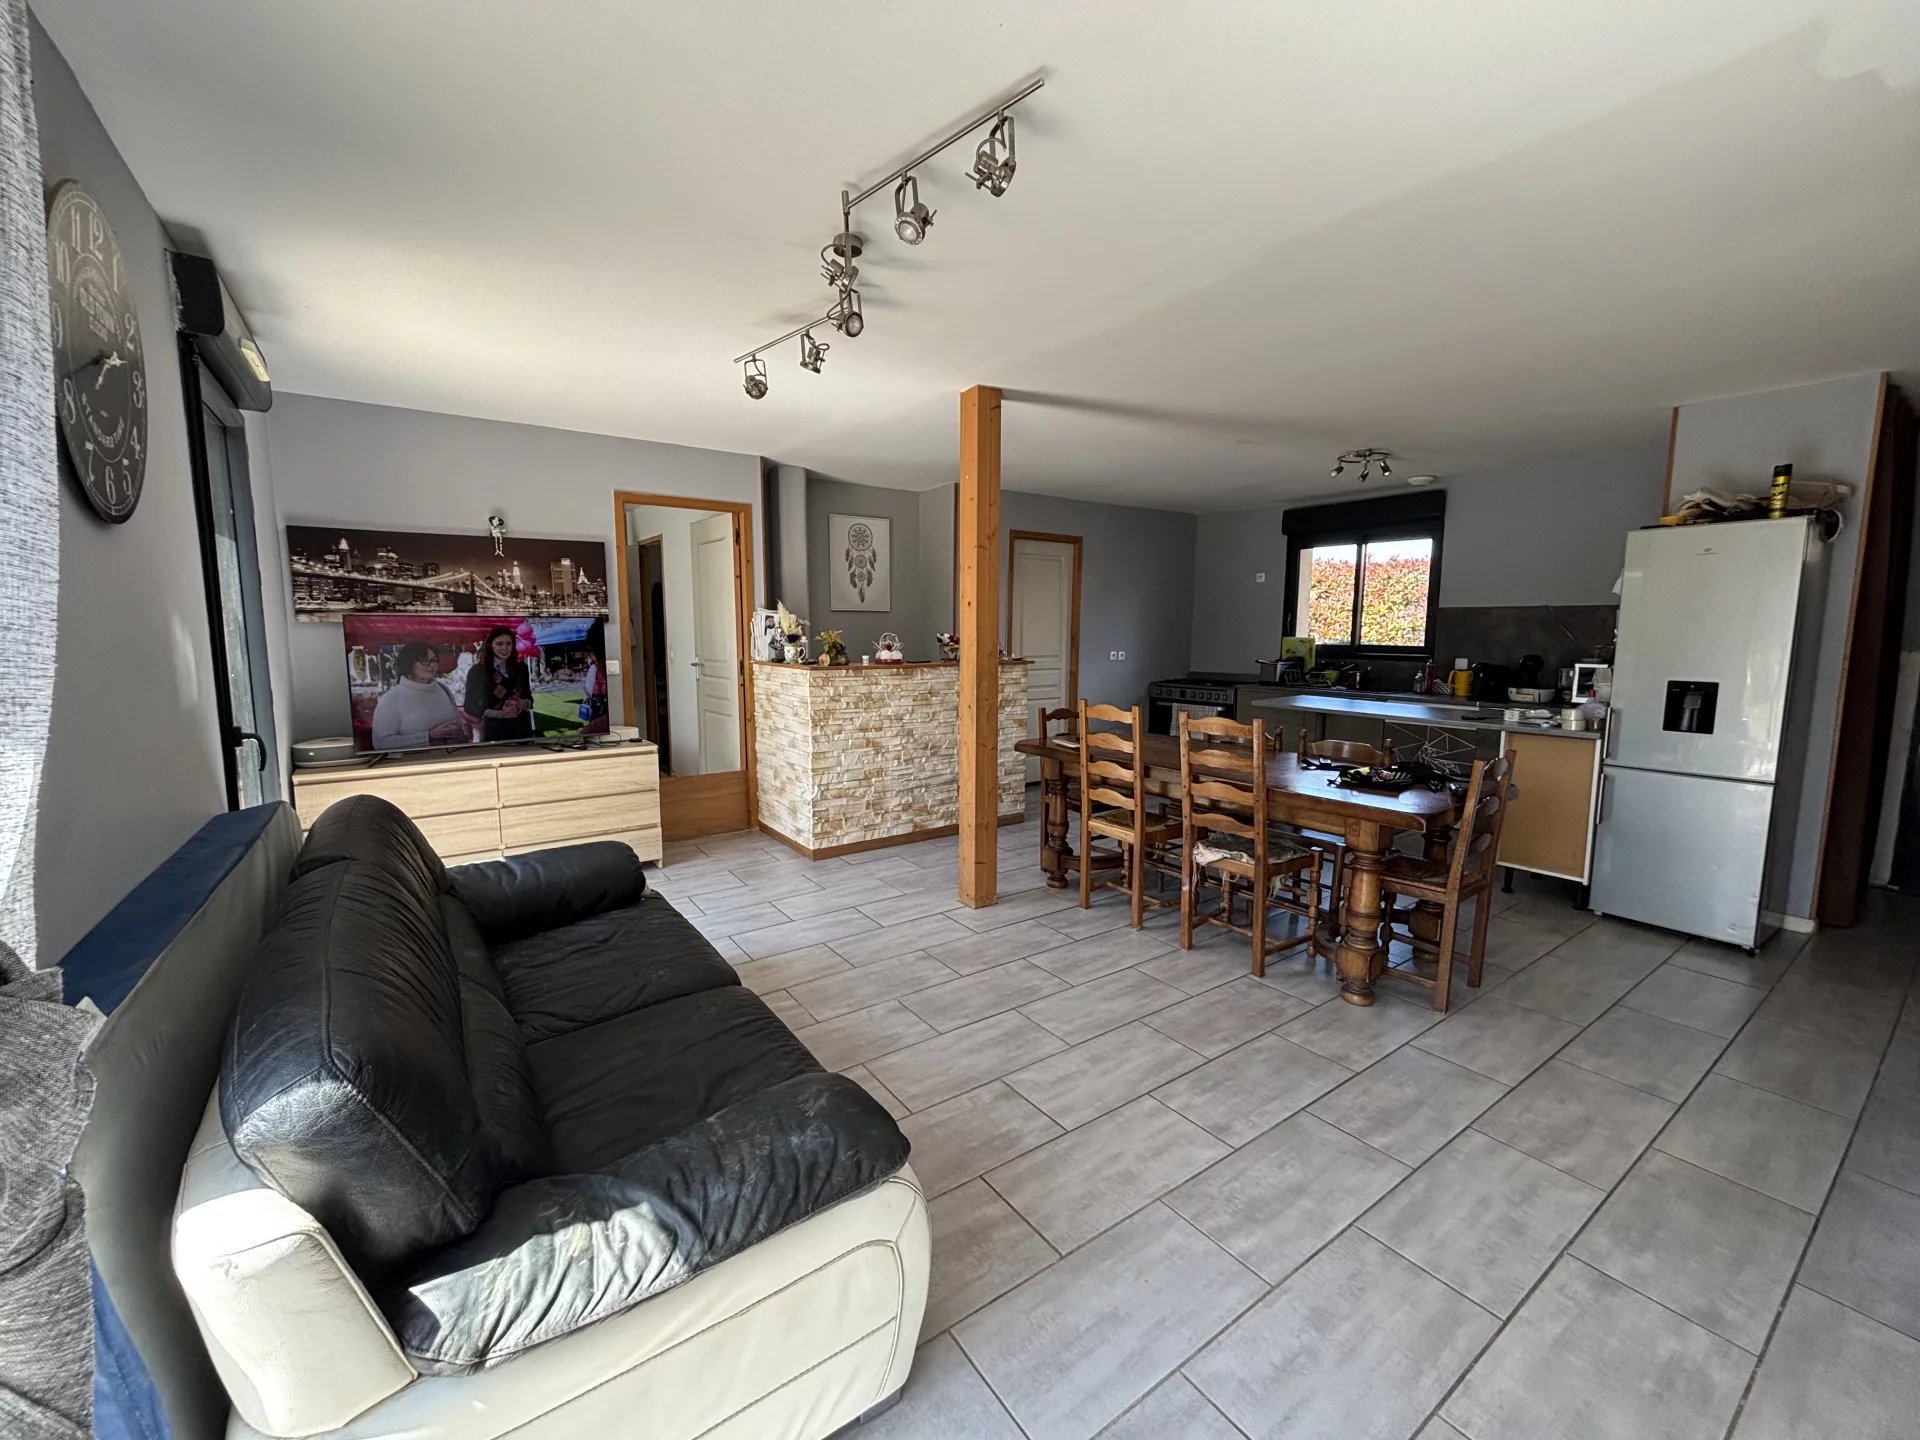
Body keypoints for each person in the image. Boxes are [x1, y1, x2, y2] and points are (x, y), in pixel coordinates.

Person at [369, 642, 467, 751]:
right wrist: (428, 737)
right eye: (425, 660)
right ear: (409, 663)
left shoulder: (444, 689)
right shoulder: (391, 699)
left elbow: (456, 722)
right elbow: (381, 743)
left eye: (434, 660)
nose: (432, 665)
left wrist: (460, 732)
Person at [464, 625, 536, 742]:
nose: (504, 648)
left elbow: (529, 698)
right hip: (494, 732)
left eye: (508, 644)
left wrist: (523, 703)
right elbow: (470, 706)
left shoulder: (521, 668)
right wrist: (499, 714)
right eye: (499, 644)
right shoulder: (478, 671)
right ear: (490, 645)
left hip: (522, 730)